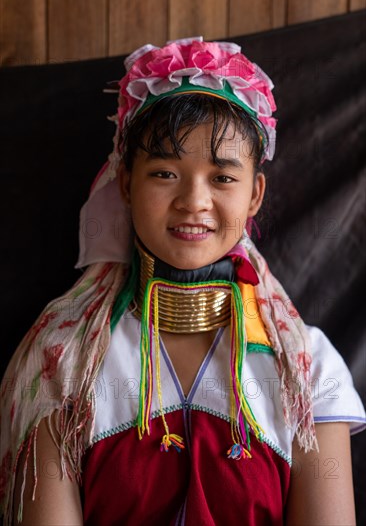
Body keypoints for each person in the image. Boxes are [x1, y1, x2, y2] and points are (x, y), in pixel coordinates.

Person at [1, 37, 365, 526]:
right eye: (166, 173)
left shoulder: (306, 371)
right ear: (126, 184)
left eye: (222, 178)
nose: (194, 201)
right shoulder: (64, 361)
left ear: (255, 194)